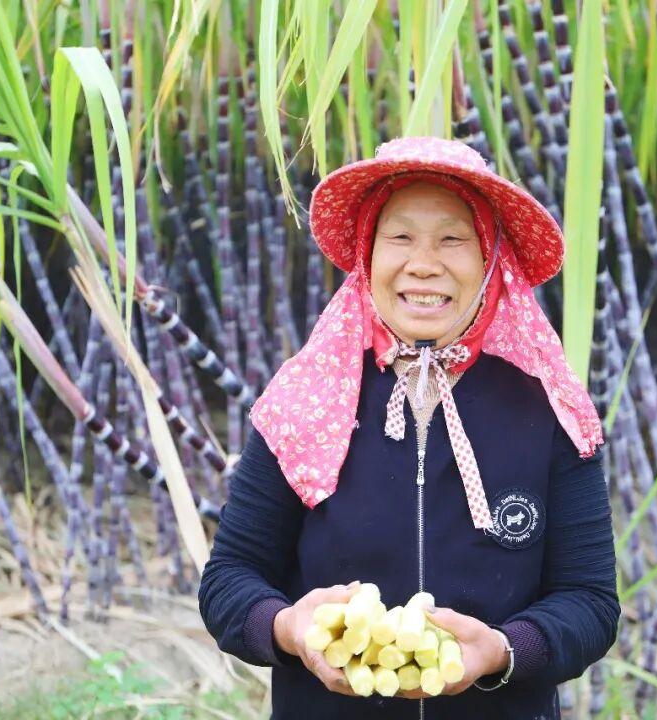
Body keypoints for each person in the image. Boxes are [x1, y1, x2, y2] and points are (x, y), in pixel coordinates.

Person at [198, 136, 619, 719]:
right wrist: (288, 627)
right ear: (370, 254)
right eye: (400, 237)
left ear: (490, 259)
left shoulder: (550, 413)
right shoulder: (307, 403)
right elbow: (228, 581)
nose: (423, 263)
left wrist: (501, 651)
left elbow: (590, 603)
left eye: (453, 238)